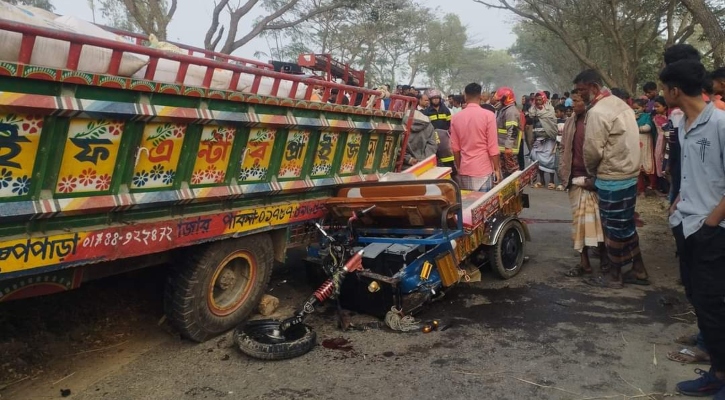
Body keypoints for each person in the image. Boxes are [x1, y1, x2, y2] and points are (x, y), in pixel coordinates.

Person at [660, 59, 725, 400]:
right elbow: (692, 173)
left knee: (714, 304)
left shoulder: (720, 123)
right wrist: (678, 202)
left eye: (664, 88)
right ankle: (716, 373)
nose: (661, 94)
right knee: (700, 302)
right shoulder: (683, 123)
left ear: (675, 90)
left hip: (711, 229)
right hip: (685, 222)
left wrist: (711, 224)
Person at [573, 69, 649, 288]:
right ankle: (639, 269)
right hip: (629, 174)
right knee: (626, 225)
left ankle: (614, 276)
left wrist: (591, 174)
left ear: (594, 88)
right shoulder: (620, 104)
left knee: (613, 228)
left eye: (582, 90)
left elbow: (593, 150)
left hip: (612, 176)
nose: (579, 95)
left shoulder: (598, 112)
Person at [559, 91, 607, 277]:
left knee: (599, 223)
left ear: (586, 102)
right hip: (575, 179)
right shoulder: (570, 122)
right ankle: (584, 262)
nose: (572, 104)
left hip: (594, 180)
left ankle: (604, 259)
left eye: (577, 101)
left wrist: (596, 178)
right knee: (579, 223)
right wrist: (564, 171)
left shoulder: (595, 121)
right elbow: (564, 147)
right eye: (572, 100)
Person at [449, 83, 501, 192]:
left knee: (468, 206)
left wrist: (459, 167)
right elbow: (493, 147)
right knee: (483, 207)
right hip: (483, 170)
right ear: (480, 96)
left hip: (465, 169)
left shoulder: (456, 118)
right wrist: (497, 169)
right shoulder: (488, 116)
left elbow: (455, 148)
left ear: (465, 96)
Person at [528, 91, 559, 189]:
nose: (538, 101)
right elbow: (532, 124)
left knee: (550, 159)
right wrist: (532, 136)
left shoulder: (550, 110)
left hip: (549, 139)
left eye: (539, 99)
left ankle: (551, 181)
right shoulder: (533, 110)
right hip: (538, 139)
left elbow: (553, 124)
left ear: (544, 99)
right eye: (536, 100)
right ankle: (541, 180)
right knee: (538, 160)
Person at [493, 87, 523, 177]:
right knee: (505, 170)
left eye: (501, 99)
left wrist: (508, 147)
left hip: (508, 148)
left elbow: (512, 130)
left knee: (512, 170)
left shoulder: (511, 111)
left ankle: (517, 190)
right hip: (504, 146)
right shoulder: (504, 109)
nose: (499, 101)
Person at [632, 98, 658, 196]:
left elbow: (648, 127)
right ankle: (641, 190)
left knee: (648, 164)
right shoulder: (632, 117)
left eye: (637, 108)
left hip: (646, 143)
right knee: (637, 166)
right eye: (633, 108)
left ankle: (653, 186)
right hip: (635, 144)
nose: (635, 110)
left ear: (643, 108)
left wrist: (636, 128)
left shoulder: (647, 116)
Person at [652, 96, 670, 194]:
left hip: (666, 140)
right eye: (655, 107)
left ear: (665, 107)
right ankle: (663, 186)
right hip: (661, 141)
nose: (655, 108)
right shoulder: (657, 118)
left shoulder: (668, 117)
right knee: (660, 160)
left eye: (657, 106)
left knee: (665, 161)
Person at [555, 104, 568, 191]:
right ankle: (561, 182)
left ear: (562, 112)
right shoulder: (556, 121)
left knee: (564, 165)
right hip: (558, 145)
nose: (556, 114)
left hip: (566, 146)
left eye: (557, 112)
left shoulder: (569, 121)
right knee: (557, 165)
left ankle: (564, 183)